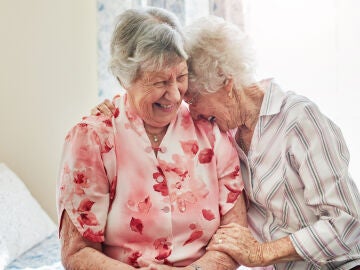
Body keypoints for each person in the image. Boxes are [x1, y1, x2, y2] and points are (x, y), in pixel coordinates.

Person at [96, 15, 360, 269]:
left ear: (226, 83)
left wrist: (262, 252)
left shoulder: (299, 119)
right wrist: (116, 111)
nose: (192, 112)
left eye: (193, 98)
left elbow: (348, 221)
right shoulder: (222, 132)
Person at [56, 8, 248, 270]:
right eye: (159, 82)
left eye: (180, 77)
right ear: (125, 79)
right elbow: (78, 252)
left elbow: (235, 231)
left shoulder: (209, 130)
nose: (174, 95)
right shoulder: (93, 139)